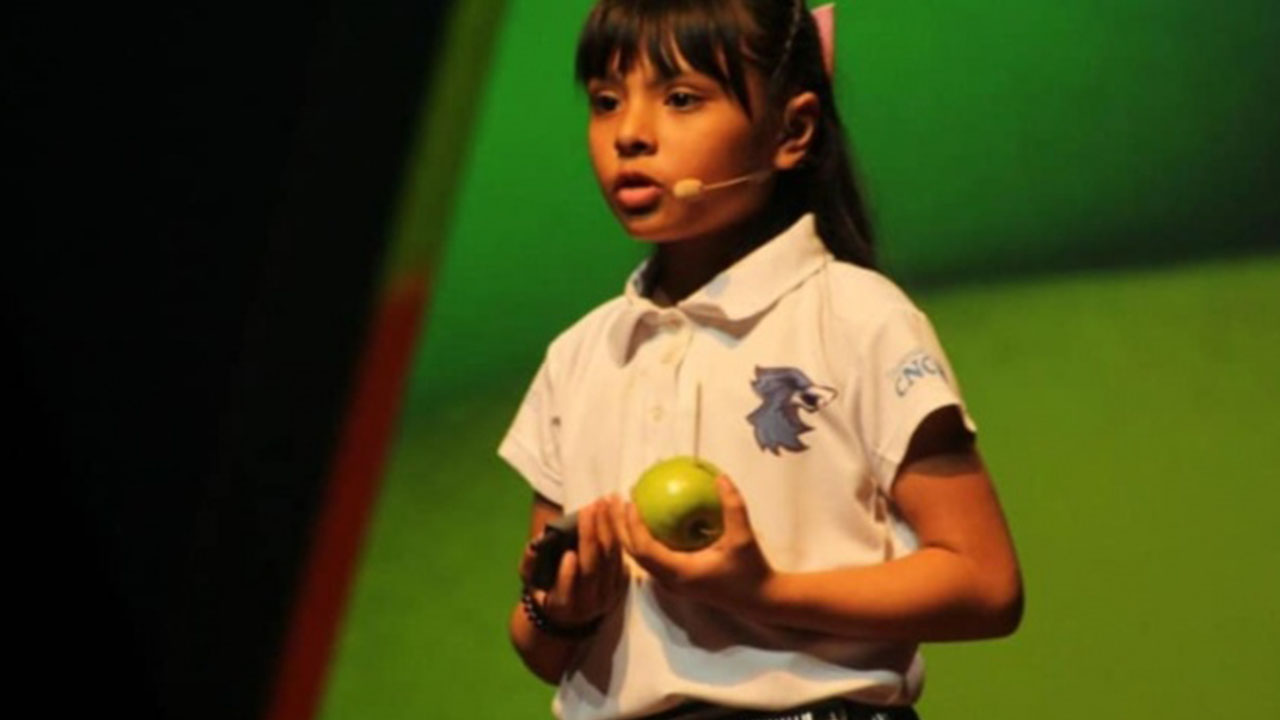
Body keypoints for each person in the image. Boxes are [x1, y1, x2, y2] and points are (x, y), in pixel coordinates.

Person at [499, 1, 1024, 718]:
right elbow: (539, 649)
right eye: (606, 101)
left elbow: (985, 584)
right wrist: (561, 609)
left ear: (791, 130)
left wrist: (765, 591)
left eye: (681, 99)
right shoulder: (578, 354)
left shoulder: (860, 317)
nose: (630, 134)